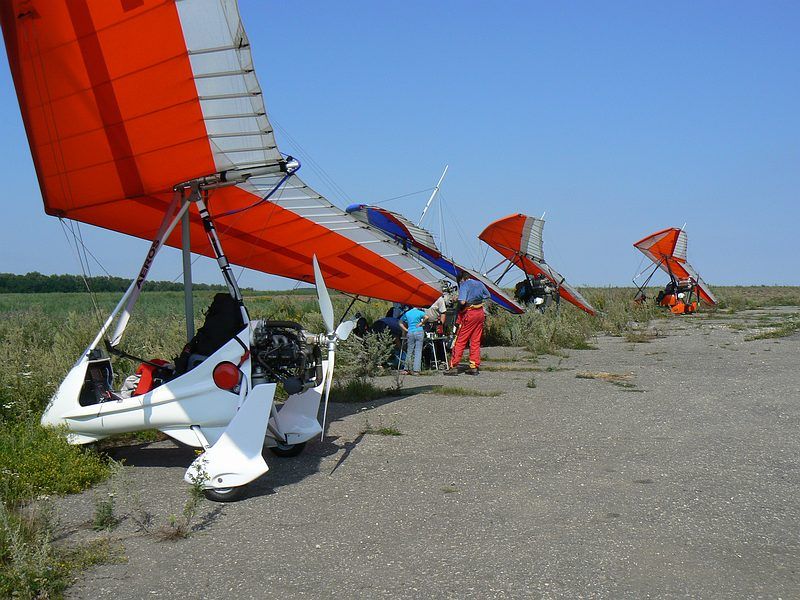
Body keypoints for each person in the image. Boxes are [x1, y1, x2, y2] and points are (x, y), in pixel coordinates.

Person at [446, 272, 490, 375]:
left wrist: (460, 299)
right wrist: (477, 298)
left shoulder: (464, 285)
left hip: (469, 313)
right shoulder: (479, 283)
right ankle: (474, 366)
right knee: (475, 341)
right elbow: (488, 295)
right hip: (480, 313)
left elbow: (462, 302)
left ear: (462, 279)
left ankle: (454, 366)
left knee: (460, 340)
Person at [399, 305, 426, 375]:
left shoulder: (407, 313)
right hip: (419, 331)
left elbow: (400, 322)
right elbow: (427, 317)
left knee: (409, 350)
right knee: (418, 351)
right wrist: (421, 323)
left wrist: (406, 330)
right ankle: (416, 370)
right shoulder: (420, 312)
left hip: (410, 332)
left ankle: (406, 369)